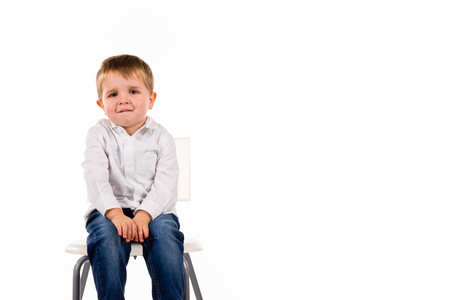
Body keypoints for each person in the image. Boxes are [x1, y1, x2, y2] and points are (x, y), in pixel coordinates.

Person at [82, 54, 184, 300]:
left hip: (155, 212)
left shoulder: (162, 138)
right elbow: (96, 179)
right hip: (108, 211)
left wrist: (145, 213)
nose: (123, 99)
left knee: (166, 238)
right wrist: (116, 214)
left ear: (151, 99)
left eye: (133, 91)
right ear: (101, 104)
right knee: (106, 237)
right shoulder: (98, 135)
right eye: (113, 94)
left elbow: (166, 185)